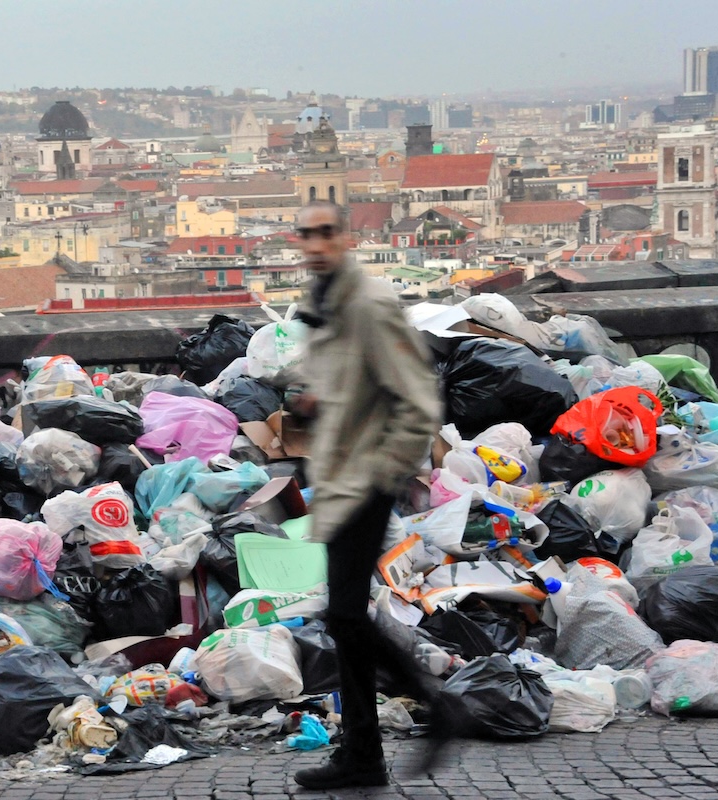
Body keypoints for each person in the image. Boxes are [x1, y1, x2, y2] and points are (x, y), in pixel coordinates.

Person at [288, 201, 442, 791]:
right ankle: (362, 755)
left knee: (347, 614)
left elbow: (419, 402)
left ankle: (437, 705)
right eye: (308, 233)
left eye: (327, 232)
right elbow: (357, 383)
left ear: (346, 237)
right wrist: (317, 401)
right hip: (340, 476)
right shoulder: (327, 303)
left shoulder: (370, 304)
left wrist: (384, 470)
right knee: (344, 617)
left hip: (365, 479)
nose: (316, 243)